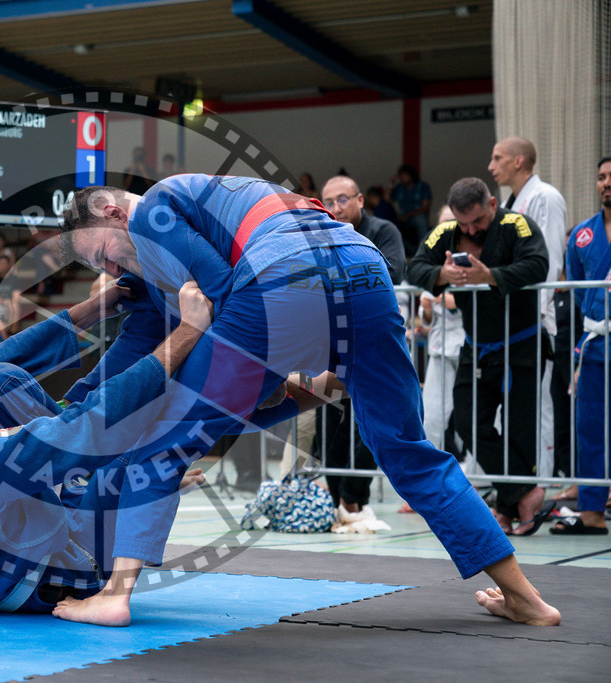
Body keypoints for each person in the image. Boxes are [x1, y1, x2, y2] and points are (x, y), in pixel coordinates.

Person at [61, 173, 559, 626]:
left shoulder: (151, 211)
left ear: (114, 213)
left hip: (282, 278)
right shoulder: (197, 210)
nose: (109, 269)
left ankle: (115, 597)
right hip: (362, 267)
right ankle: (526, 599)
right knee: (409, 451)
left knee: (165, 439)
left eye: (101, 254)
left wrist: (261, 372)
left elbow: (217, 288)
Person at [0, 279, 271, 622]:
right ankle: (295, 396)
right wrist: (188, 331)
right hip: (37, 577)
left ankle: (102, 465)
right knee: (152, 442)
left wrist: (93, 309)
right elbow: (88, 425)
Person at [407, 178, 551, 537]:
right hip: (477, 346)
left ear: (491, 202)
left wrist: (492, 276)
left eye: (477, 222)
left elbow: (538, 265)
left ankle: (508, 508)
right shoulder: (447, 232)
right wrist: (441, 274)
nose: (471, 230)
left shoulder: (517, 225)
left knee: (520, 430)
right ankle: (525, 493)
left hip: (522, 344)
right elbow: (414, 267)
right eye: (465, 224)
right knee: (469, 420)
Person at [318, 175, 405, 512]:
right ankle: (335, 495)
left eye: (342, 200)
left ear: (359, 200)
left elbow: (394, 272)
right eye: (328, 202)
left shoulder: (383, 231)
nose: (335, 208)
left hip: (374, 342)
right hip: (330, 340)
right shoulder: (321, 234)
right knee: (329, 420)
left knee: (368, 421)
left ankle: (355, 496)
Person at [488, 136, 568, 478]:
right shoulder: (509, 203)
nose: (491, 166)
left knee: (540, 403)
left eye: (497, 158)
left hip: (537, 317)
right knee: (513, 406)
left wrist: (537, 312)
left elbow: (548, 261)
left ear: (519, 161)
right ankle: (517, 479)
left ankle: (545, 479)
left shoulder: (545, 197)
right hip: (511, 320)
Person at [553, 155, 611, 535]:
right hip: (595, 345)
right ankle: (591, 508)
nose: (606, 182)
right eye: (602, 177)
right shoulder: (583, 235)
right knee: (590, 428)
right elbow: (576, 283)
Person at [417, 206, 466, 455]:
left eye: (453, 222)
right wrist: (426, 309)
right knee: (433, 413)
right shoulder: (433, 262)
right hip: (439, 349)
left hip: (470, 349)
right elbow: (425, 322)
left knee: (472, 416)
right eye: (442, 223)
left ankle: (479, 475)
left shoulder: (474, 257)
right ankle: (430, 471)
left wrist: (458, 305)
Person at [390, 164, 433, 256]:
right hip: (401, 218)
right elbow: (386, 200)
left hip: (416, 216)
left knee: (420, 220)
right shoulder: (399, 188)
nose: (401, 178)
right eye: (400, 175)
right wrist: (391, 184)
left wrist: (408, 215)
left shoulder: (423, 186)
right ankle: (412, 251)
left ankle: (424, 252)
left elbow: (425, 208)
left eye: (404, 175)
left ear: (411, 175)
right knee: (390, 225)